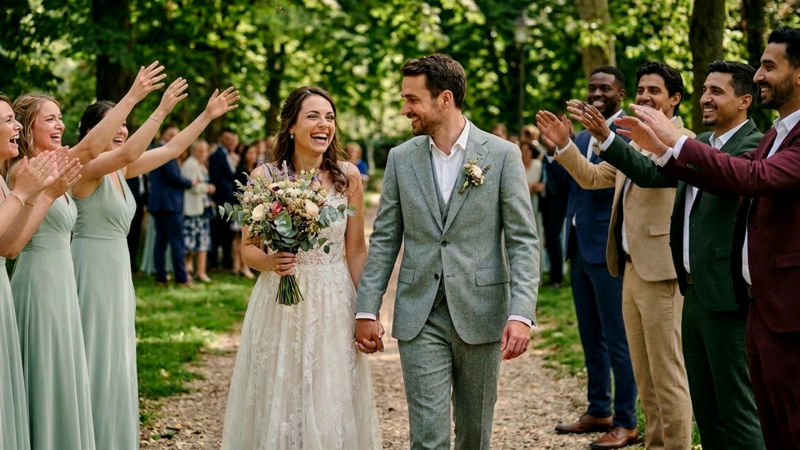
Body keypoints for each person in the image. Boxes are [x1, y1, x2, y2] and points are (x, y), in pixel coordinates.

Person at [613, 27, 800, 449]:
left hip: (761, 301)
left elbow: (749, 178)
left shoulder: (759, 140)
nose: (760, 75)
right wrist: (659, 147)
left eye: (769, 67)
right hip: (712, 292)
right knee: (720, 415)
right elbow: (691, 176)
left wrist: (673, 142)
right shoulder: (775, 134)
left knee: (751, 418)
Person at [355, 54, 539, 450]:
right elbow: (385, 239)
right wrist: (366, 309)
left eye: (413, 99)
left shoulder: (502, 155)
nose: (405, 109)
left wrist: (521, 313)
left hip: (482, 310)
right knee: (428, 437)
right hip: (420, 313)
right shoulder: (400, 159)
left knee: (474, 434)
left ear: (445, 99)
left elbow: (523, 240)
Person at [594, 61, 766, 450]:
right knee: (707, 412)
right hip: (694, 292)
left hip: (726, 296)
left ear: (744, 100)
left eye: (716, 91)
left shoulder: (754, 145)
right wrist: (607, 139)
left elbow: (728, 178)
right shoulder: (702, 142)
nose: (705, 98)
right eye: (704, 90)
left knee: (738, 413)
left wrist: (672, 144)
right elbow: (651, 174)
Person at [3, 63, 164, 450]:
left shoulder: (52, 167)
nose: (59, 125)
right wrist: (134, 96)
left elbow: (130, 153)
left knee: (65, 373)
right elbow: (94, 148)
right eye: (50, 119)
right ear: (27, 128)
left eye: (60, 117)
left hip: (62, 281)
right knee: (46, 373)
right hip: (38, 281)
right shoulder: (26, 170)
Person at [538, 62, 695, 450]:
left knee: (667, 373)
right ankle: (655, 444)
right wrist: (563, 146)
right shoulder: (635, 141)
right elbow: (592, 177)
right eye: (641, 90)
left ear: (675, 99)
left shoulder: (683, 140)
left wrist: (607, 137)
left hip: (662, 271)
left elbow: (650, 173)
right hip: (629, 267)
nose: (645, 97)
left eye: (654, 91)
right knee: (645, 373)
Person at [72, 83, 239, 449]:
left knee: (116, 352)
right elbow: (131, 150)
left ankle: (112, 435)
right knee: (93, 350)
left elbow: (171, 149)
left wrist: (206, 116)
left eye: (124, 124)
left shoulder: (120, 170)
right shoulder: (85, 169)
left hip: (117, 268)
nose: (122, 129)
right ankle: (87, 435)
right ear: (92, 131)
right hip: (90, 267)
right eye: (114, 123)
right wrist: (159, 109)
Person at [221, 86, 382, 449]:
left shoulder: (348, 177)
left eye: (329, 117)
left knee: (329, 397)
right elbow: (247, 248)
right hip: (280, 302)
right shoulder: (264, 177)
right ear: (291, 126)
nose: (324, 124)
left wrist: (367, 310)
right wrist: (269, 261)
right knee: (280, 396)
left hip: (333, 300)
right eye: (313, 116)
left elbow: (357, 250)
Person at [541, 66, 638, 450]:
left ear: (621, 93)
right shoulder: (580, 136)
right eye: (592, 88)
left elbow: (598, 181)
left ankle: (627, 420)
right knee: (589, 335)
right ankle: (599, 408)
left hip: (609, 248)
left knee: (618, 339)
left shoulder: (627, 134)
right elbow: (560, 188)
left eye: (605, 88)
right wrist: (555, 150)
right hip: (579, 248)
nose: (596, 94)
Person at [0, 94, 65, 450]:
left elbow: (10, 247)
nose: (16, 127)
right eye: (7, 121)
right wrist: (25, 193)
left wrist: (40, 194)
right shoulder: (15, 176)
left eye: (15, 119)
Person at [139, 124, 180, 275]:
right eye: (171, 135)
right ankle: (182, 277)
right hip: (168, 203)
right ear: (163, 136)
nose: (174, 138)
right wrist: (191, 182)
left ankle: (161, 275)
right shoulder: (165, 152)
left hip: (158, 203)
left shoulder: (158, 150)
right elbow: (173, 177)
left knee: (161, 241)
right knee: (176, 240)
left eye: (176, 135)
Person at [181, 139, 215, 283]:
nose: (202, 153)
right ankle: (187, 271)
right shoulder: (191, 164)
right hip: (192, 209)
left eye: (204, 151)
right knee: (189, 242)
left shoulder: (201, 165)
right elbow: (191, 186)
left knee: (202, 241)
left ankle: (201, 272)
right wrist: (208, 188)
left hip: (202, 208)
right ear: (193, 151)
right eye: (199, 150)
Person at [209, 127, 237, 271]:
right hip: (221, 198)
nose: (230, 141)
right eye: (227, 139)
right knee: (219, 231)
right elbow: (214, 176)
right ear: (220, 138)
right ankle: (215, 262)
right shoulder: (217, 155)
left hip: (229, 198)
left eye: (231, 139)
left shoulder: (229, 154)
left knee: (227, 231)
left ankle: (226, 261)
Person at [230, 144, 256, 279]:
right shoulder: (240, 171)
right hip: (241, 207)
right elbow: (237, 191)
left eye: (254, 153)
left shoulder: (256, 170)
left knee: (246, 238)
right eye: (250, 153)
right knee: (239, 238)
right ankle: (238, 266)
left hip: (253, 208)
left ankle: (241, 266)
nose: (252, 156)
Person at [520, 140, 546, 277]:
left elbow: (536, 186)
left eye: (527, 150)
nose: (525, 153)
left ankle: (539, 273)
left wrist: (529, 187)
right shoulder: (517, 164)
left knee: (536, 237)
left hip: (534, 203)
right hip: (520, 203)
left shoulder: (537, 164)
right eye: (522, 150)